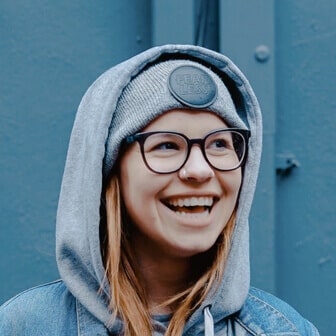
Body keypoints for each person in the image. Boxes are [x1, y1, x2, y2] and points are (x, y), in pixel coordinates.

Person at [0, 44, 319, 335]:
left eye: (220, 144)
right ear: (110, 172)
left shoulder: (284, 330)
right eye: (167, 145)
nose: (199, 169)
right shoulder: (26, 326)